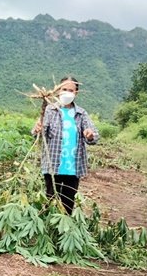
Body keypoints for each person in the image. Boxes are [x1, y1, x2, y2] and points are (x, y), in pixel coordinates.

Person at [32, 76, 99, 215]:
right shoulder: (50, 110)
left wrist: (90, 135)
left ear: (76, 93)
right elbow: (38, 132)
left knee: (68, 203)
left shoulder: (81, 114)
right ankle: (49, 229)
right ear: (57, 91)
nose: (67, 92)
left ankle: (64, 230)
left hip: (73, 168)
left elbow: (94, 136)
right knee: (51, 200)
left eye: (71, 90)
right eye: (64, 89)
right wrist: (38, 129)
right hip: (53, 166)